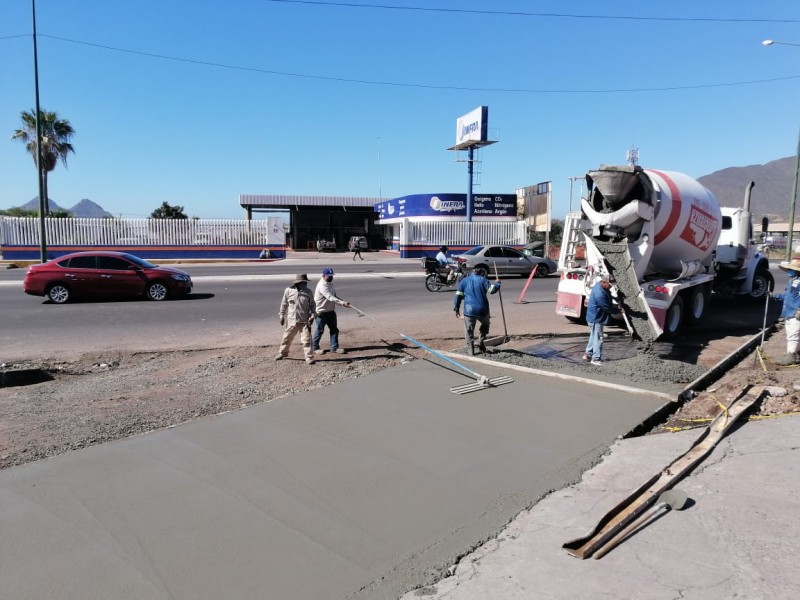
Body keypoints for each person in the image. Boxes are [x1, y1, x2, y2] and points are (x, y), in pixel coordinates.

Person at [453, 266, 501, 355]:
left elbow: (458, 296)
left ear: (472, 272)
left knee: (469, 330)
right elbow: (491, 290)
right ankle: (481, 341)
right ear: (480, 273)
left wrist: (456, 309)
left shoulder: (464, 281)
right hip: (483, 310)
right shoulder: (483, 280)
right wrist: (497, 283)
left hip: (469, 310)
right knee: (485, 324)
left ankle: (470, 350)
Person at [582, 274, 624, 366]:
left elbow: (607, 293)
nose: (610, 287)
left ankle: (587, 354)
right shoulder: (599, 294)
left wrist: (615, 298)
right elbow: (607, 308)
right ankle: (596, 359)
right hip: (596, 318)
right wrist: (619, 310)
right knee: (598, 338)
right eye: (609, 285)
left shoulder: (599, 285)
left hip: (593, 316)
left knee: (593, 336)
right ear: (604, 282)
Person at [276, 274, 316, 365]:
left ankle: (309, 357)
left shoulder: (308, 292)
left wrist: (313, 315)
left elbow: (313, 306)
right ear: (298, 283)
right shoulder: (289, 290)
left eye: (305, 282)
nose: (305, 284)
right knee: (286, 338)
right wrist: (281, 316)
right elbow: (284, 304)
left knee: (306, 340)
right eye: (303, 282)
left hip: (304, 321)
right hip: (291, 321)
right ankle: (282, 353)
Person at [313, 267, 352, 355]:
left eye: (331, 276)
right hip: (321, 312)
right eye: (328, 276)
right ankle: (314, 348)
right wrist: (342, 303)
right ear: (323, 276)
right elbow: (330, 297)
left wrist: (343, 303)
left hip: (330, 311)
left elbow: (334, 296)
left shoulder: (330, 284)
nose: (331, 278)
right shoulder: (322, 285)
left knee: (334, 330)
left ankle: (334, 347)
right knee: (320, 330)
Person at [772, 258, 800, 365]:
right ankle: (795, 352)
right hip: (788, 312)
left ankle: (790, 356)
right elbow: (787, 296)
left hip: (796, 313)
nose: (789, 271)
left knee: (793, 335)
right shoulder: (791, 281)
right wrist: (774, 296)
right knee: (791, 334)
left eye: (791, 269)